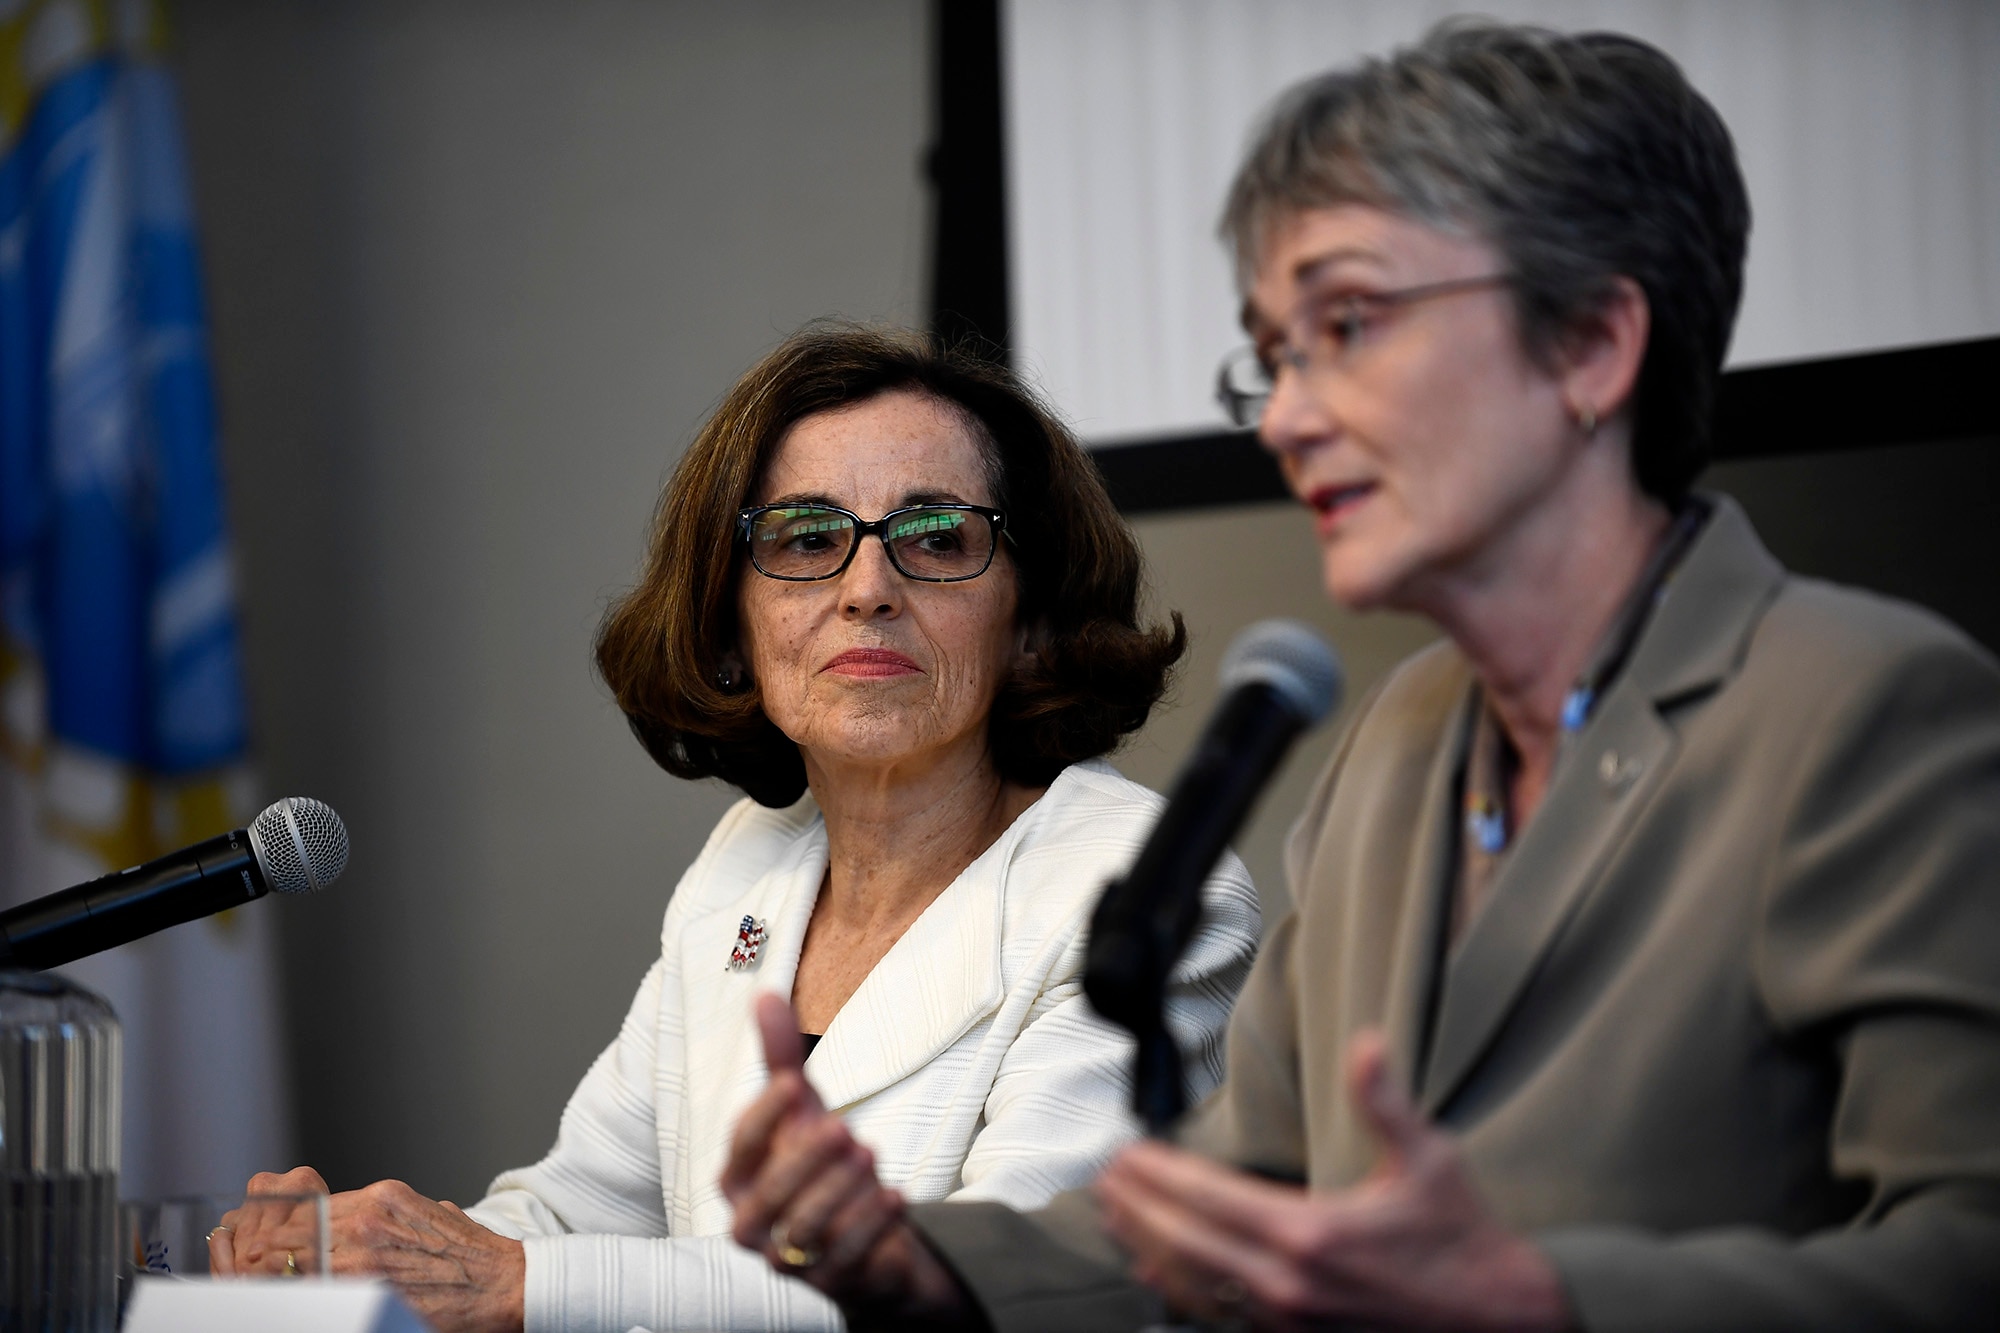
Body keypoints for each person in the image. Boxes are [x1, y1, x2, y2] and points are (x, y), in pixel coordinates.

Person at [720, 22, 2000, 1331]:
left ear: (1591, 347)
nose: (1285, 415)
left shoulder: (1865, 709)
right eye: (1273, 355)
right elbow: (1231, 1197)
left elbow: (1976, 1253)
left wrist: (1549, 1300)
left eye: (1348, 323)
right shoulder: (1397, 747)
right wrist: (911, 1260)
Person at [222, 324, 1262, 1331]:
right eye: (807, 539)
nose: (867, 589)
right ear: (730, 625)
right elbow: (569, 1218)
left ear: (1031, 621)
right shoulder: (748, 864)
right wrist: (356, 1259)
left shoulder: (1148, 887)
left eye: (935, 538)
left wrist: (507, 1278)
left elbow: (1008, 1290)